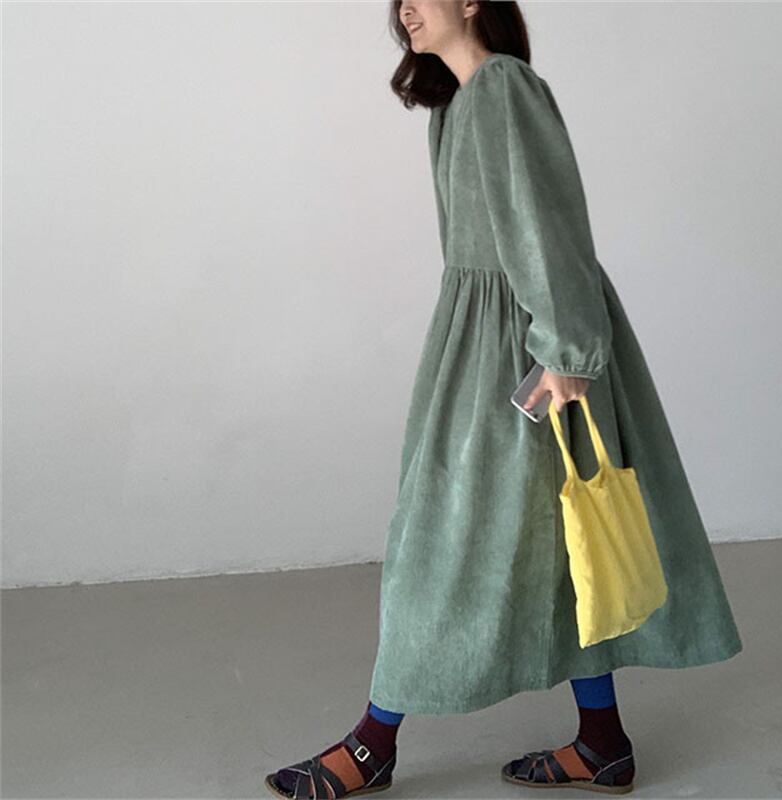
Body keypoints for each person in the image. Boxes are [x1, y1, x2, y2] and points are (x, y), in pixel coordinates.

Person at [265, 1, 743, 797]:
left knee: (444, 544)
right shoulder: (458, 104)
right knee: (557, 544)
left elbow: (547, 225)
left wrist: (567, 353)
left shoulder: (502, 89)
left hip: (531, 351)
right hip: (487, 343)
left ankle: (375, 744)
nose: (405, 8)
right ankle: (602, 742)